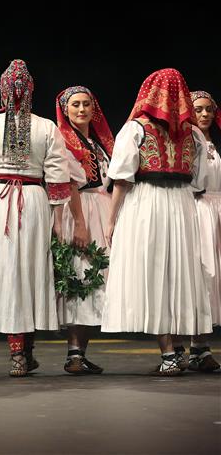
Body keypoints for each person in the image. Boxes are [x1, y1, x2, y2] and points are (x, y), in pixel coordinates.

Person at [0, 59, 71, 377]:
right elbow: (57, 177)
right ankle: (22, 352)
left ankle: (20, 352)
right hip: (30, 200)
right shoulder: (46, 127)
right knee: (26, 272)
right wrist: (58, 219)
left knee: (11, 272)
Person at [102, 68, 212, 375]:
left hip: (146, 202)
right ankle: (179, 349)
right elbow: (201, 180)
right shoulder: (194, 134)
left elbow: (122, 178)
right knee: (180, 274)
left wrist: (111, 221)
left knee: (152, 273)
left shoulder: (136, 128)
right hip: (181, 204)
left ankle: (169, 354)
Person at [53, 86, 115, 375]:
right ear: (65, 109)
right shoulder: (63, 140)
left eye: (86, 104)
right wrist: (79, 223)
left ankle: (80, 354)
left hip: (101, 208)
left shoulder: (100, 142)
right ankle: (74, 353)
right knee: (80, 277)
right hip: (81, 209)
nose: (81, 109)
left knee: (96, 281)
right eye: (75, 104)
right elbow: (70, 183)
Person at [175, 90, 221, 372]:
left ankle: (200, 347)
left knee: (213, 279)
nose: (204, 115)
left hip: (216, 212)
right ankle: (180, 347)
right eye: (198, 110)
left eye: (208, 110)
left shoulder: (214, 144)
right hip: (194, 210)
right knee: (194, 276)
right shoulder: (185, 142)